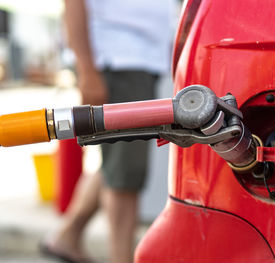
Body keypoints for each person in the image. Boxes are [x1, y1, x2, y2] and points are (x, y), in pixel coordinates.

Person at [40, 0, 175, 263]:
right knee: (126, 173)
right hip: (118, 60)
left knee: (118, 162)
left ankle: (68, 235)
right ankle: (121, 258)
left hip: (140, 60)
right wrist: (87, 69)